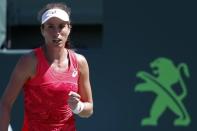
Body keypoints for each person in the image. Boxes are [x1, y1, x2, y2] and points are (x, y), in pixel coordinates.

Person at [0, 2, 93, 131]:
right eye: (50, 27)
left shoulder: (80, 62)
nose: (56, 33)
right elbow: (5, 104)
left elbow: (89, 109)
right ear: (42, 30)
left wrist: (78, 107)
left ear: (69, 28)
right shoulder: (29, 62)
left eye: (61, 26)